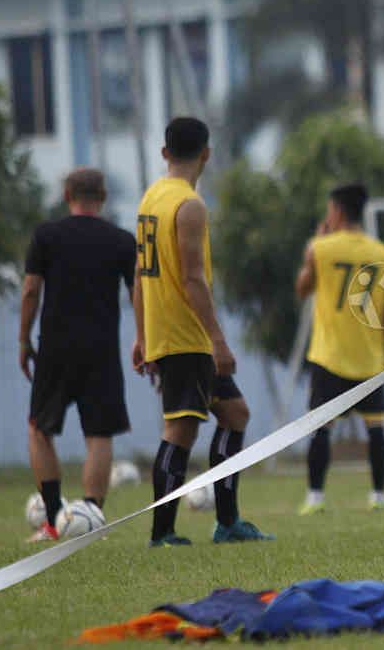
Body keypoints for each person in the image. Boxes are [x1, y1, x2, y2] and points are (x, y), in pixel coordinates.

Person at [133, 117, 273, 546]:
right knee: (180, 429)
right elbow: (193, 278)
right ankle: (162, 533)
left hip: (166, 330)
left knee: (234, 415)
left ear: (164, 153)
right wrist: (218, 340)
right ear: (207, 154)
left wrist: (141, 335)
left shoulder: (151, 198)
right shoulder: (189, 205)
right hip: (186, 334)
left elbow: (138, 275)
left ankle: (228, 523)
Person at [19, 168, 135, 542]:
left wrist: (23, 340)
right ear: (102, 197)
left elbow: (30, 292)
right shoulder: (120, 241)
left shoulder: (47, 236)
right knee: (98, 435)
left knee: (39, 429)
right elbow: (139, 297)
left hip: (55, 348)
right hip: (101, 350)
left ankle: (54, 520)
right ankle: (90, 518)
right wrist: (144, 341)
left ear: (67, 194)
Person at [296, 183, 384, 514]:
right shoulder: (383, 253)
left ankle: (315, 497)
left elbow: (303, 288)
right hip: (369, 355)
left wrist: (313, 247)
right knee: (377, 427)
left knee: (321, 429)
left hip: (329, 355)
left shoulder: (319, 247)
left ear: (337, 212)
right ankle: (379, 496)